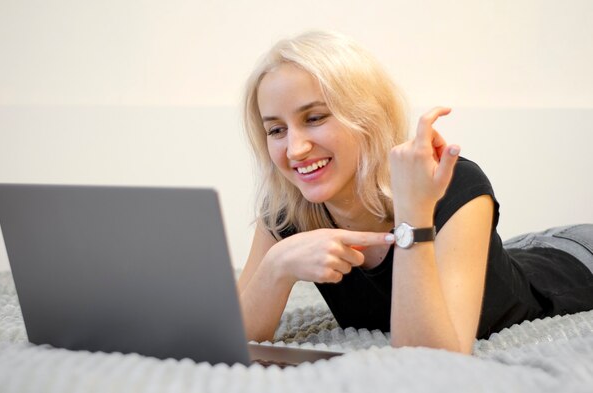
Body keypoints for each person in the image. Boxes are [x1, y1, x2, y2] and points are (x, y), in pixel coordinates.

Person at [236, 31, 593, 355]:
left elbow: (433, 355)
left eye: (314, 118)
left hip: (575, 255)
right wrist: (277, 266)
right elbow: (230, 335)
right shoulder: (288, 209)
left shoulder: (452, 183)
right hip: (519, 249)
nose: (295, 149)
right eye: (276, 130)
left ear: (366, 117)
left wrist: (412, 210)